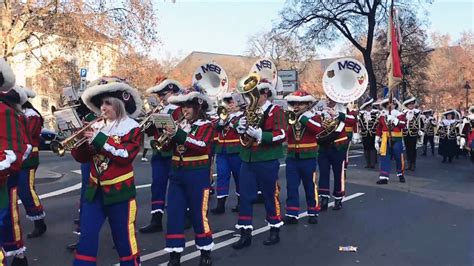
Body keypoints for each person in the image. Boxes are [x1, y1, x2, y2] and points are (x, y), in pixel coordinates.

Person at [71, 76, 142, 266]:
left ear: (119, 104)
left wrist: (99, 140)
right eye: (101, 104)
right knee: (87, 236)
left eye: (108, 103)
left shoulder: (132, 128)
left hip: (120, 192)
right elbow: (82, 158)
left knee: (124, 240)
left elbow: (125, 155)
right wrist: (79, 144)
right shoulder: (96, 126)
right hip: (95, 191)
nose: (103, 107)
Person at [162, 85, 214, 266]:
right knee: (174, 215)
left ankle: (205, 251)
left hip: (197, 175)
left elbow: (201, 145)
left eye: (189, 106)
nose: (185, 110)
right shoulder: (179, 125)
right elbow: (167, 148)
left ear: (198, 108)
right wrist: (166, 136)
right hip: (177, 174)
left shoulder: (206, 125)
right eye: (183, 106)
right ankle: (174, 256)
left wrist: (179, 134)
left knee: (199, 215)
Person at [233, 78, 286, 249]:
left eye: (253, 93)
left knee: (270, 195)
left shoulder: (275, 110)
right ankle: (245, 234)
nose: (249, 97)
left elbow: (282, 134)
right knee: (245, 197)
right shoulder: (248, 110)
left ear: (265, 93)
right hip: (247, 158)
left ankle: (274, 229)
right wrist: (239, 127)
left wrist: (261, 135)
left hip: (266, 159)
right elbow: (240, 131)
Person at [140, 79, 183, 234]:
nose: (161, 99)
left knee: (176, 186)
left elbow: (181, 130)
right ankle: (156, 219)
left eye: (163, 95)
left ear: (172, 93)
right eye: (159, 96)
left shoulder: (178, 109)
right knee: (157, 186)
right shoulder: (159, 110)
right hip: (159, 152)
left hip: (173, 152)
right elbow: (151, 133)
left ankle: (182, 216)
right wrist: (149, 121)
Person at [0, 59, 31, 266]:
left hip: (10, 172)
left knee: (10, 214)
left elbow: (18, 147)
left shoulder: (10, 113)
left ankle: (18, 253)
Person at [283, 90, 321, 225]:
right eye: (294, 103)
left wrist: (303, 118)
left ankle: (313, 212)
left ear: (308, 104)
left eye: (300, 104)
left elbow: (318, 129)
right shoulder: (290, 117)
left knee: (310, 186)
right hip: (292, 157)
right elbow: (285, 134)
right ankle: (292, 214)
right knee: (291, 186)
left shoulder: (314, 117)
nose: (296, 106)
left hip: (308, 157)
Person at [317, 98, 356, 211]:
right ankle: (323, 198)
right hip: (324, 146)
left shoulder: (344, 110)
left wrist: (338, 114)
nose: (328, 100)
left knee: (338, 173)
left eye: (331, 98)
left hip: (339, 146)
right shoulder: (321, 109)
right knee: (323, 172)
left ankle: (338, 198)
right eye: (327, 97)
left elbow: (352, 120)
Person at [18, 87, 47, 238]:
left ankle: (39, 222)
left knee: (26, 190)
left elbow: (26, 136)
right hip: (16, 157)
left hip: (29, 159)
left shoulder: (32, 115)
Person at [211, 91, 243, 214]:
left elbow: (240, 128)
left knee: (239, 177)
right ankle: (220, 205)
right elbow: (214, 126)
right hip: (222, 151)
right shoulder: (224, 116)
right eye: (228, 102)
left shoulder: (243, 116)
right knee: (222, 177)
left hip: (236, 151)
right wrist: (222, 120)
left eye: (232, 102)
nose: (229, 105)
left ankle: (241, 202)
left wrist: (229, 120)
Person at [375, 98, 406, 184]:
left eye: (392, 103)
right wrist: (376, 139)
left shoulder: (400, 114)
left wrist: (395, 120)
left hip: (396, 138)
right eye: (388, 104)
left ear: (395, 104)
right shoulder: (382, 115)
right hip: (385, 138)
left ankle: (400, 174)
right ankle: (384, 177)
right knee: (384, 157)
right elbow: (379, 127)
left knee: (398, 157)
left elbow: (403, 125)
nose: (390, 105)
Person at [402, 97, 422, 171]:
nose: (411, 105)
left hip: (414, 133)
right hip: (406, 133)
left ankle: (413, 164)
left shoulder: (417, 112)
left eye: (412, 104)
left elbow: (420, 122)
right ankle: (409, 164)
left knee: (413, 149)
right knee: (407, 149)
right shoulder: (404, 113)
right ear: (407, 105)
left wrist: (420, 130)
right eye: (409, 104)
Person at [358, 97, 378, 168]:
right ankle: (368, 163)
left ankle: (372, 163)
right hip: (364, 133)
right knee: (366, 147)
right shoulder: (361, 114)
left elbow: (378, 123)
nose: (369, 107)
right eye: (368, 106)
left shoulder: (375, 113)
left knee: (372, 147)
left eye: (370, 105)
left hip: (373, 133)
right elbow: (359, 122)